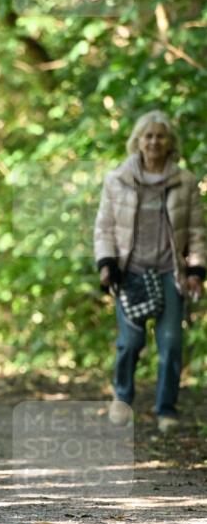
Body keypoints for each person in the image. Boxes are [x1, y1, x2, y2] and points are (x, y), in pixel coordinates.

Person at [94, 110, 205, 432]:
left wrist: (196, 269)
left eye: (161, 136)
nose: (154, 141)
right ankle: (122, 398)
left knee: (171, 343)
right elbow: (104, 228)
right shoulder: (117, 179)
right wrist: (106, 263)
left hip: (170, 273)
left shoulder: (184, 182)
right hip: (129, 272)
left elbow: (197, 231)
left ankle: (166, 409)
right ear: (138, 141)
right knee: (130, 342)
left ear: (170, 142)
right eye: (148, 136)